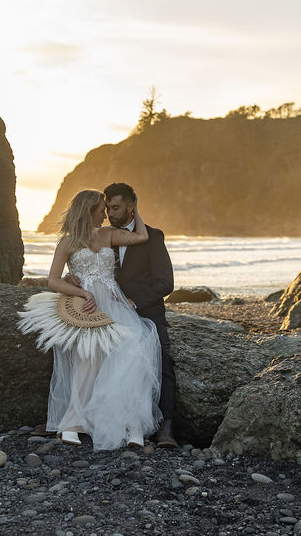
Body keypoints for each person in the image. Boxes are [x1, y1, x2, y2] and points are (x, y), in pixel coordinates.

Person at [34, 189, 164, 450]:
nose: (105, 215)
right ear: (87, 210)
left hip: (113, 305)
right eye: (100, 211)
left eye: (106, 210)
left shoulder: (108, 235)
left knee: (134, 352)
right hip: (87, 307)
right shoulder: (67, 242)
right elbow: (53, 280)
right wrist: (81, 291)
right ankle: (71, 425)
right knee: (88, 361)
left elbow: (142, 236)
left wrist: (134, 208)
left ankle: (132, 426)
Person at [98, 182, 178, 447]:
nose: (111, 213)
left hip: (147, 312)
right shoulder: (101, 237)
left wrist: (134, 302)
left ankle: (165, 428)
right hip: (108, 313)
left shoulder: (153, 236)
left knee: (162, 361)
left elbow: (165, 283)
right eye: (108, 207)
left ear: (132, 206)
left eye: (117, 207)